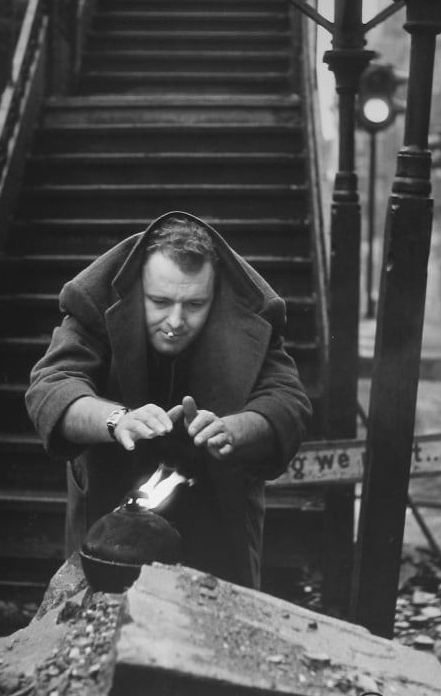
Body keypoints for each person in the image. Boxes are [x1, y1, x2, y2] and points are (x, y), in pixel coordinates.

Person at [26, 212, 312, 588]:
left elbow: (288, 400)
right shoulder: (95, 298)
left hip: (217, 513)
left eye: (194, 305)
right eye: (159, 301)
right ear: (135, 289)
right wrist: (116, 421)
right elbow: (51, 386)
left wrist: (234, 429)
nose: (175, 321)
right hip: (109, 516)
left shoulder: (253, 309)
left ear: (216, 293)